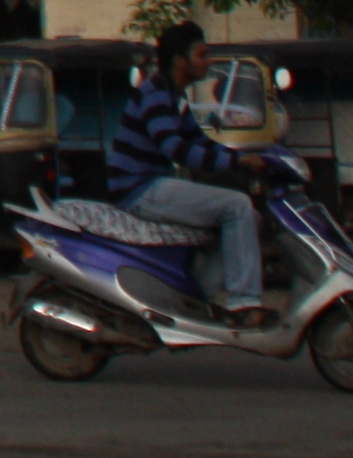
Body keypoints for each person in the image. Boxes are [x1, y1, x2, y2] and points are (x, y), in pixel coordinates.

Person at [110, 19, 270, 327]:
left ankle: (199, 299)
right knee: (238, 206)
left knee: (248, 216)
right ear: (180, 61)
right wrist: (236, 164)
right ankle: (245, 303)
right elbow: (175, 149)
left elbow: (199, 142)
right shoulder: (155, 92)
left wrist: (250, 157)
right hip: (140, 189)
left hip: (155, 185)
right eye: (201, 55)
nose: (207, 61)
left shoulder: (175, 97)